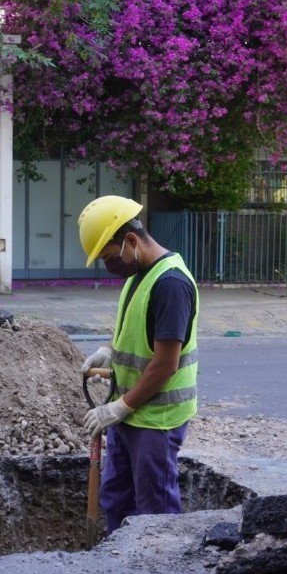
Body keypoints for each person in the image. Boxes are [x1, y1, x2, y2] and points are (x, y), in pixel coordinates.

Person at [78, 195, 199, 533]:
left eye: (109, 257)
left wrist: (118, 408)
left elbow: (165, 364)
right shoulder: (138, 276)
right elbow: (140, 333)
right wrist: (109, 350)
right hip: (131, 413)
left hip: (155, 420)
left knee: (154, 512)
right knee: (117, 497)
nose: (109, 266)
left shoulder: (171, 283)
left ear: (130, 240)